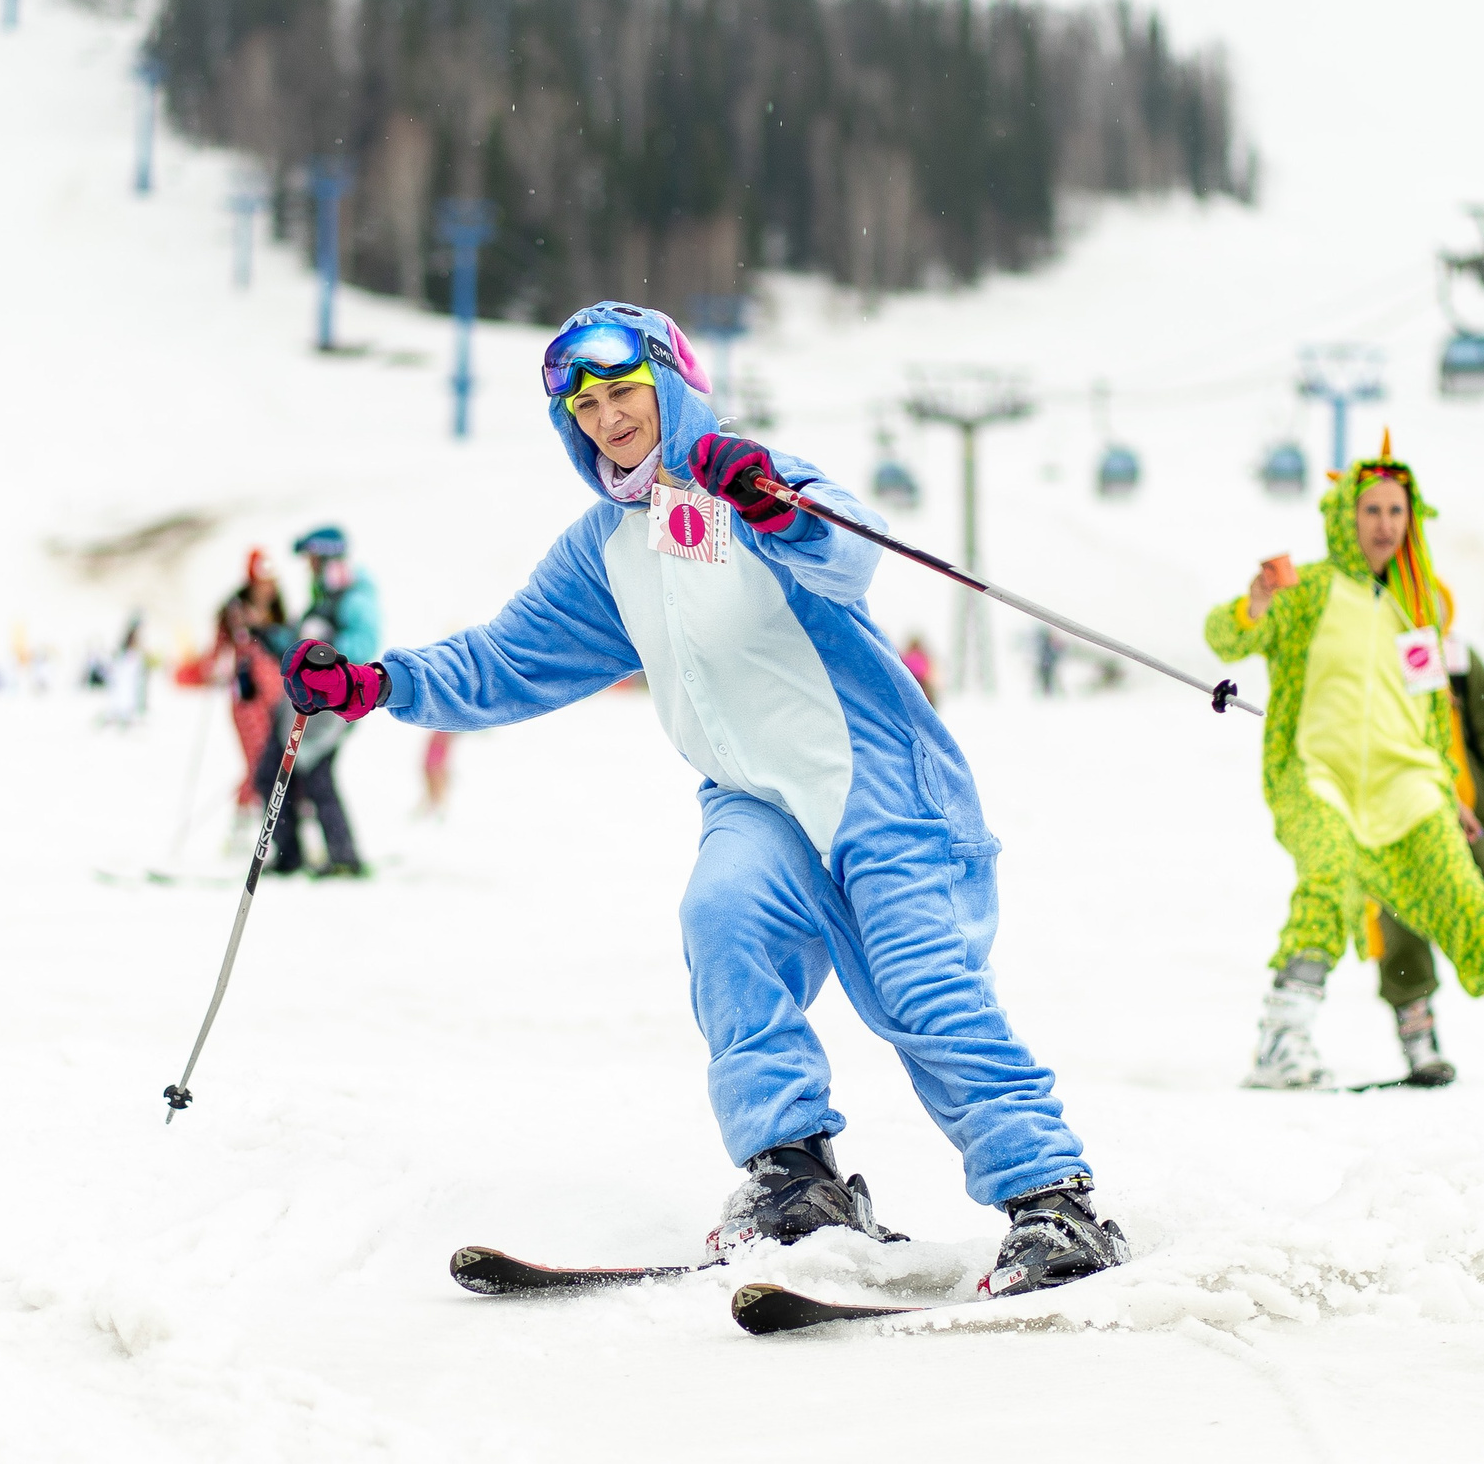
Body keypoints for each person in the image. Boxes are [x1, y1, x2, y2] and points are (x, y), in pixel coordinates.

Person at [273, 301, 1127, 1295]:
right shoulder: (606, 547)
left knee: (922, 990)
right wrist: (378, 685)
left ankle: (1052, 1203)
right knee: (722, 919)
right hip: (754, 801)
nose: (606, 419)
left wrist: (767, 503)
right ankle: (792, 1177)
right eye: (584, 406)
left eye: (624, 392)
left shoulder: (745, 476)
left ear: (671, 387)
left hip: (880, 784)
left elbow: (851, 552)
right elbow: (507, 659)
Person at [1204, 434, 1484, 1090]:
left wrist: (1449, 784)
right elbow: (1229, 635)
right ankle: (1281, 1040)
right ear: (1346, 514)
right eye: (1371, 509)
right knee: (1326, 879)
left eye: (1395, 511)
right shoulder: (1310, 590)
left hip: (1408, 784)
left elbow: (1431, 705)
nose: (1384, 524)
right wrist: (1257, 603)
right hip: (1320, 774)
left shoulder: (1421, 604)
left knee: (1468, 897)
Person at [1369, 636, 1484, 1085]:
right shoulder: (1360, 646)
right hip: (1390, 821)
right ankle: (1419, 1040)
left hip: (1468, 822)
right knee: (1397, 924)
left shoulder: (1454, 658)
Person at [251, 526, 379, 878]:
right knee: (277, 775)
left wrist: (326, 656)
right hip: (304, 706)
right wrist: (271, 638)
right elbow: (299, 645)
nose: (307, 566)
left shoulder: (353, 597)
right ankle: (296, 853)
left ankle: (342, 857)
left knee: (313, 776)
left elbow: (364, 647)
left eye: (311, 558)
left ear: (326, 557)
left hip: (332, 710)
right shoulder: (323, 598)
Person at [211, 552, 289, 816]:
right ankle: (247, 821)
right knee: (259, 762)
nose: (267, 588)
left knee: (281, 763)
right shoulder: (234, 613)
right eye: (261, 581)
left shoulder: (278, 612)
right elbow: (216, 654)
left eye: (270, 582)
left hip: (279, 695)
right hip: (248, 697)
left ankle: (281, 824)